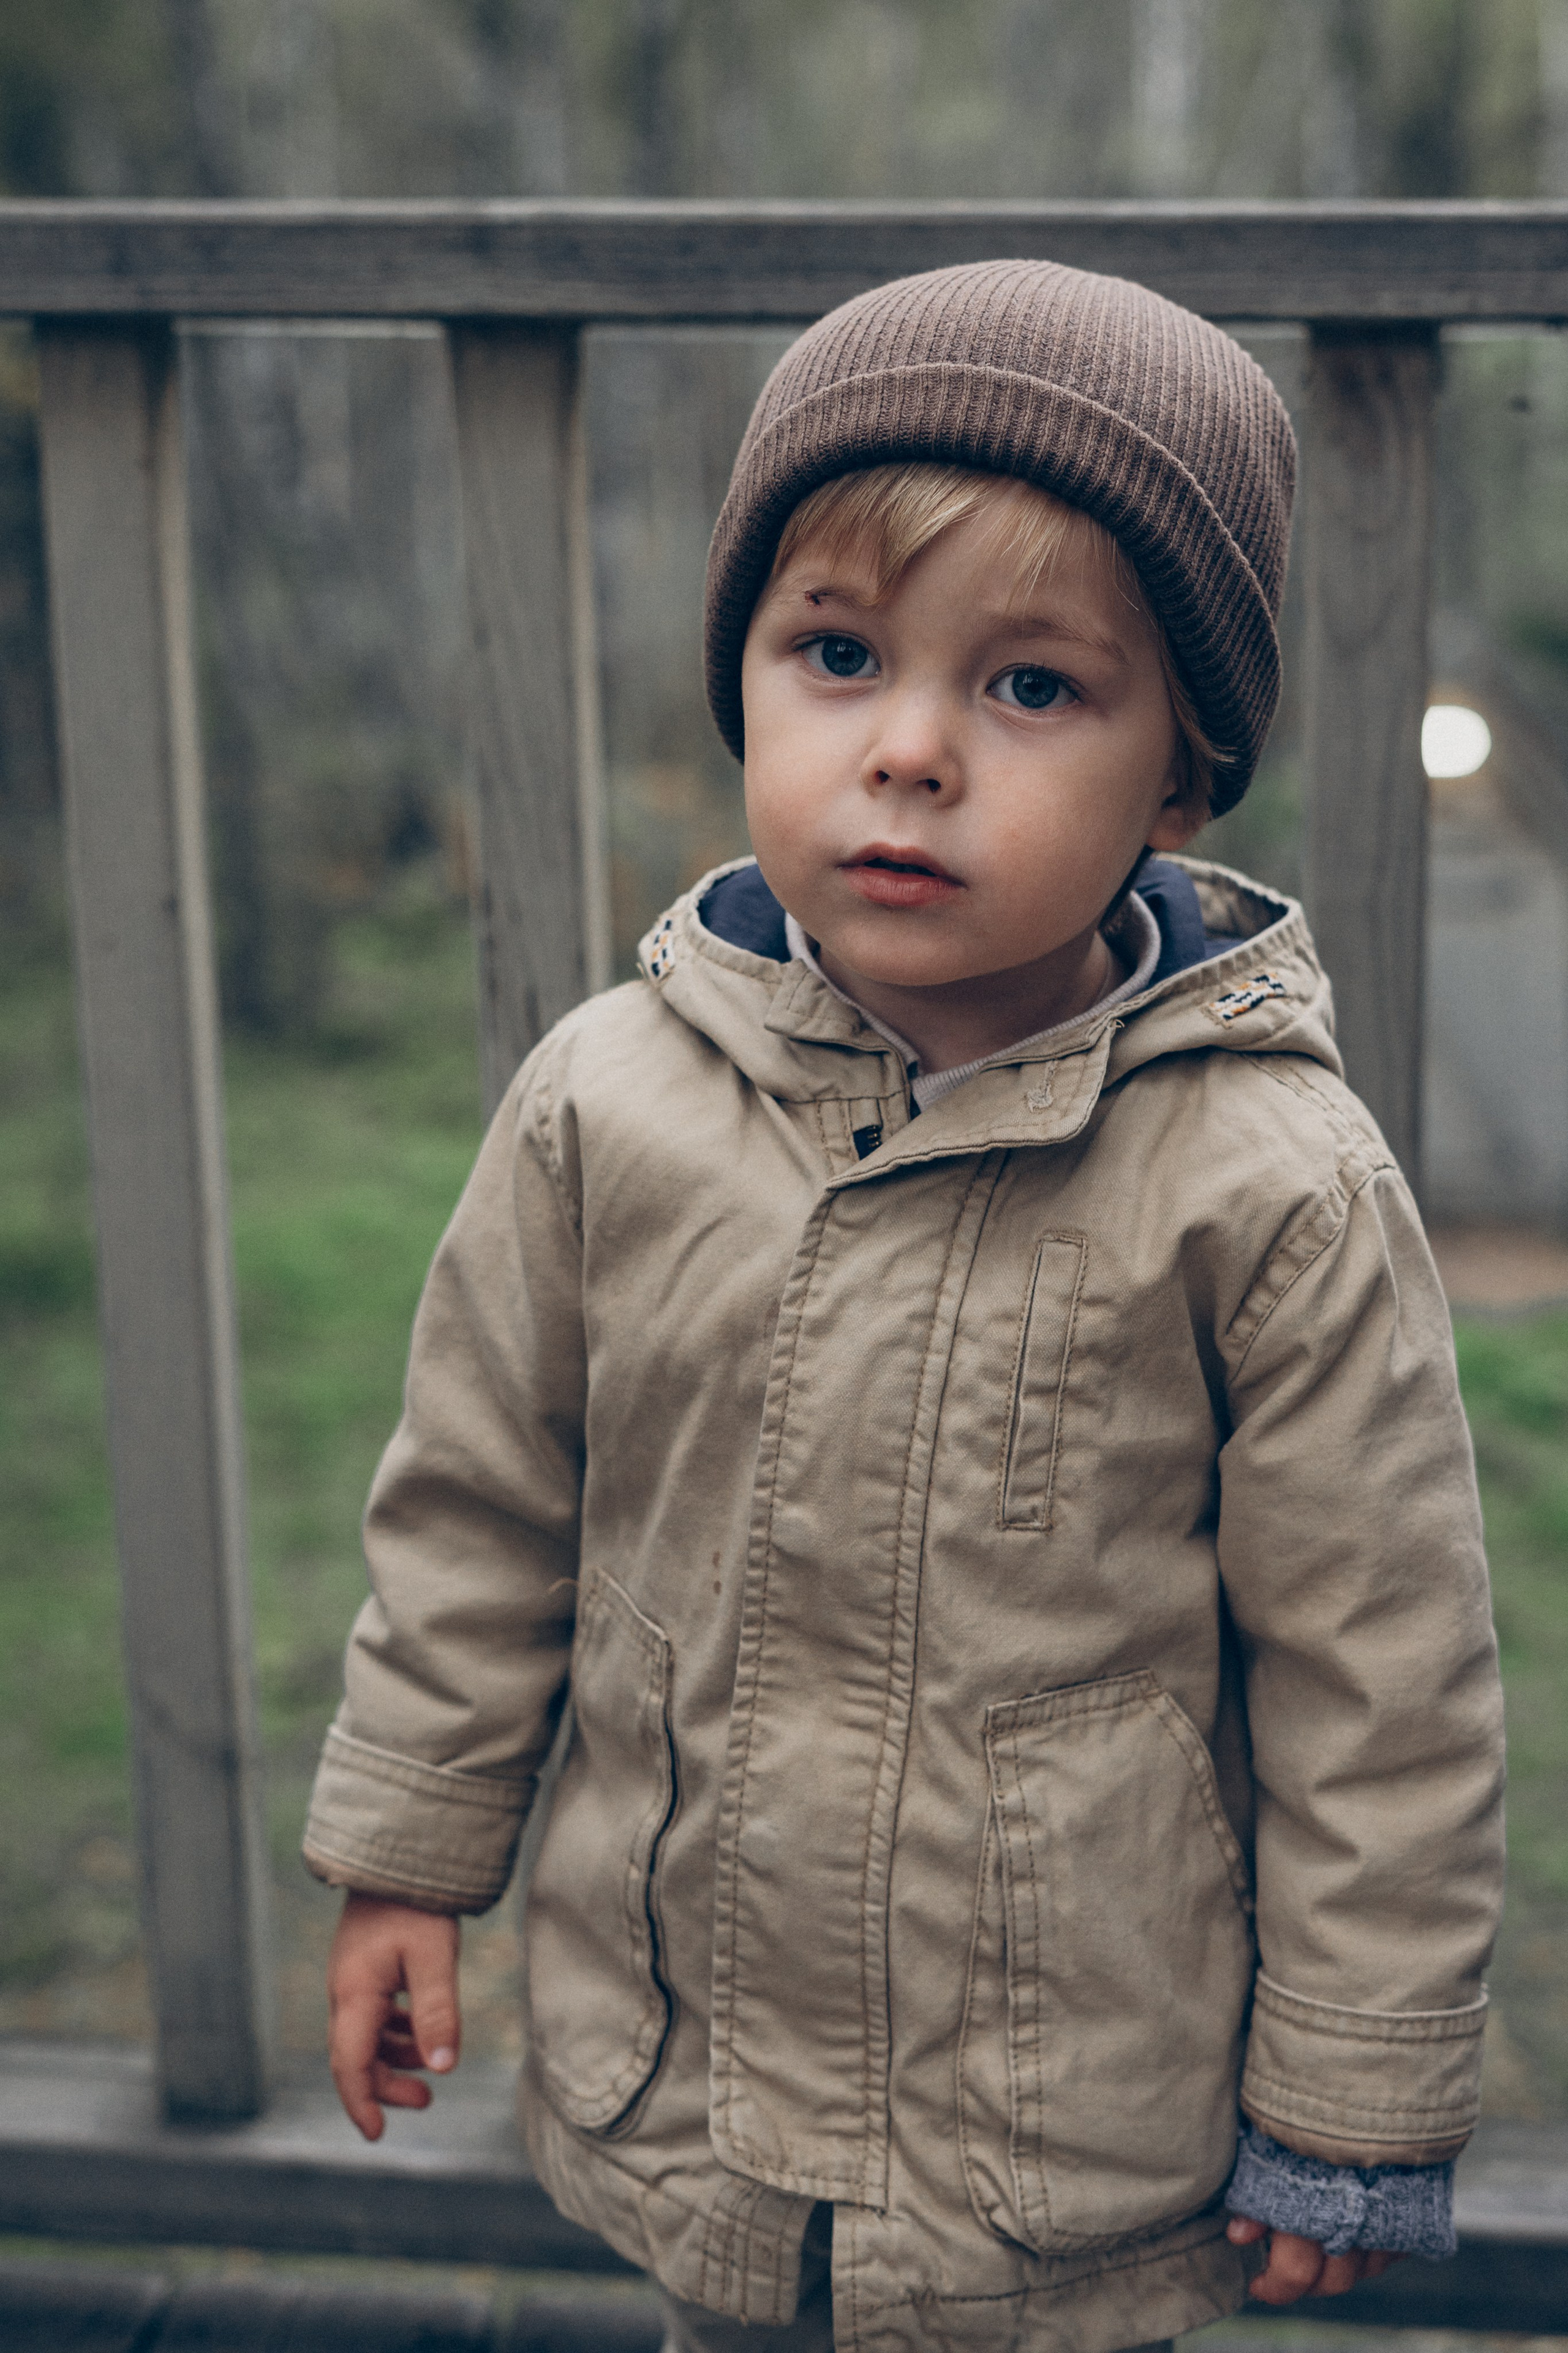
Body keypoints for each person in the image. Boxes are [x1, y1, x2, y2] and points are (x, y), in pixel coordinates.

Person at [304, 260, 1506, 2353]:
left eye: (1033, 687)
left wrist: (1351, 2094)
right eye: (838, 653)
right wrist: (410, 1857)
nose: (913, 751)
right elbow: (476, 1510)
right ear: (747, 680)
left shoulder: (1271, 1182)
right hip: (704, 2075)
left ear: (1179, 777)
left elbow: (1383, 1686)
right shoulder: (609, 1098)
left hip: (1063, 2128)